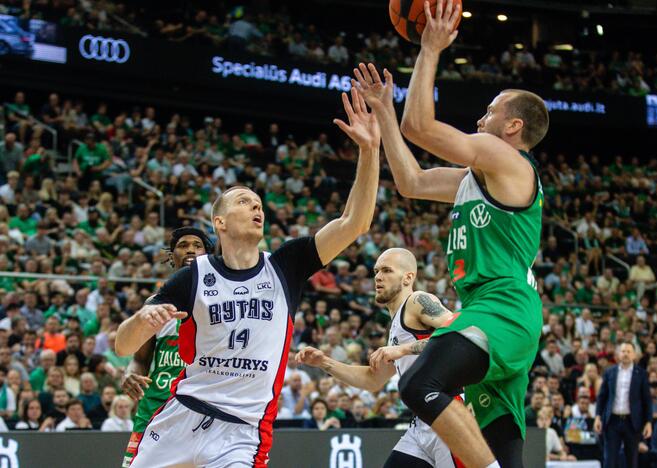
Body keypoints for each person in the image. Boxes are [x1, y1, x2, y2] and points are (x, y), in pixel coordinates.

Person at [116, 87, 380, 468]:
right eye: (243, 201)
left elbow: (355, 222)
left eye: (258, 203)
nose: (256, 206)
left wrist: (369, 151)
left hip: (242, 431)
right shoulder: (194, 277)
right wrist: (142, 321)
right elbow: (124, 346)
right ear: (219, 222)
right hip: (180, 416)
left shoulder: (287, 264)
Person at [352, 0, 549, 465]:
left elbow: (420, 126)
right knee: (503, 441)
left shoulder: (508, 159)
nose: (481, 118)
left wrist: (431, 48)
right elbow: (411, 182)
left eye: (490, 110)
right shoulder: (473, 178)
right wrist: (383, 110)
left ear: (513, 126)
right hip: (489, 311)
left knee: (420, 384)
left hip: (503, 312)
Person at [299, 248, 457, 467]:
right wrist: (324, 362)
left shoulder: (418, 300)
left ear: (408, 277)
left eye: (386, 270)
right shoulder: (395, 325)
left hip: (449, 414)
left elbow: (459, 332)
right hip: (421, 424)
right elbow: (373, 380)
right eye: (376, 271)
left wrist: (403, 349)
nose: (378, 277)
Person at [120, 227, 211, 467]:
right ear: (172, 256)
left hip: (204, 413)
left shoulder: (224, 300)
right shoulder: (155, 304)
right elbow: (141, 358)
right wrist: (130, 372)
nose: (190, 249)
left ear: (209, 254)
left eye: (197, 245)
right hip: (156, 411)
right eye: (182, 245)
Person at [594, 342, 652, 468]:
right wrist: (598, 416)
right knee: (609, 460)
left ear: (634, 355)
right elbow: (602, 396)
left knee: (631, 460)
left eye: (628, 351)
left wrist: (648, 422)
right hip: (612, 421)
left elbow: (646, 399)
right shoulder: (610, 372)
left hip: (632, 421)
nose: (625, 354)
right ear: (618, 354)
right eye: (623, 351)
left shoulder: (641, 374)